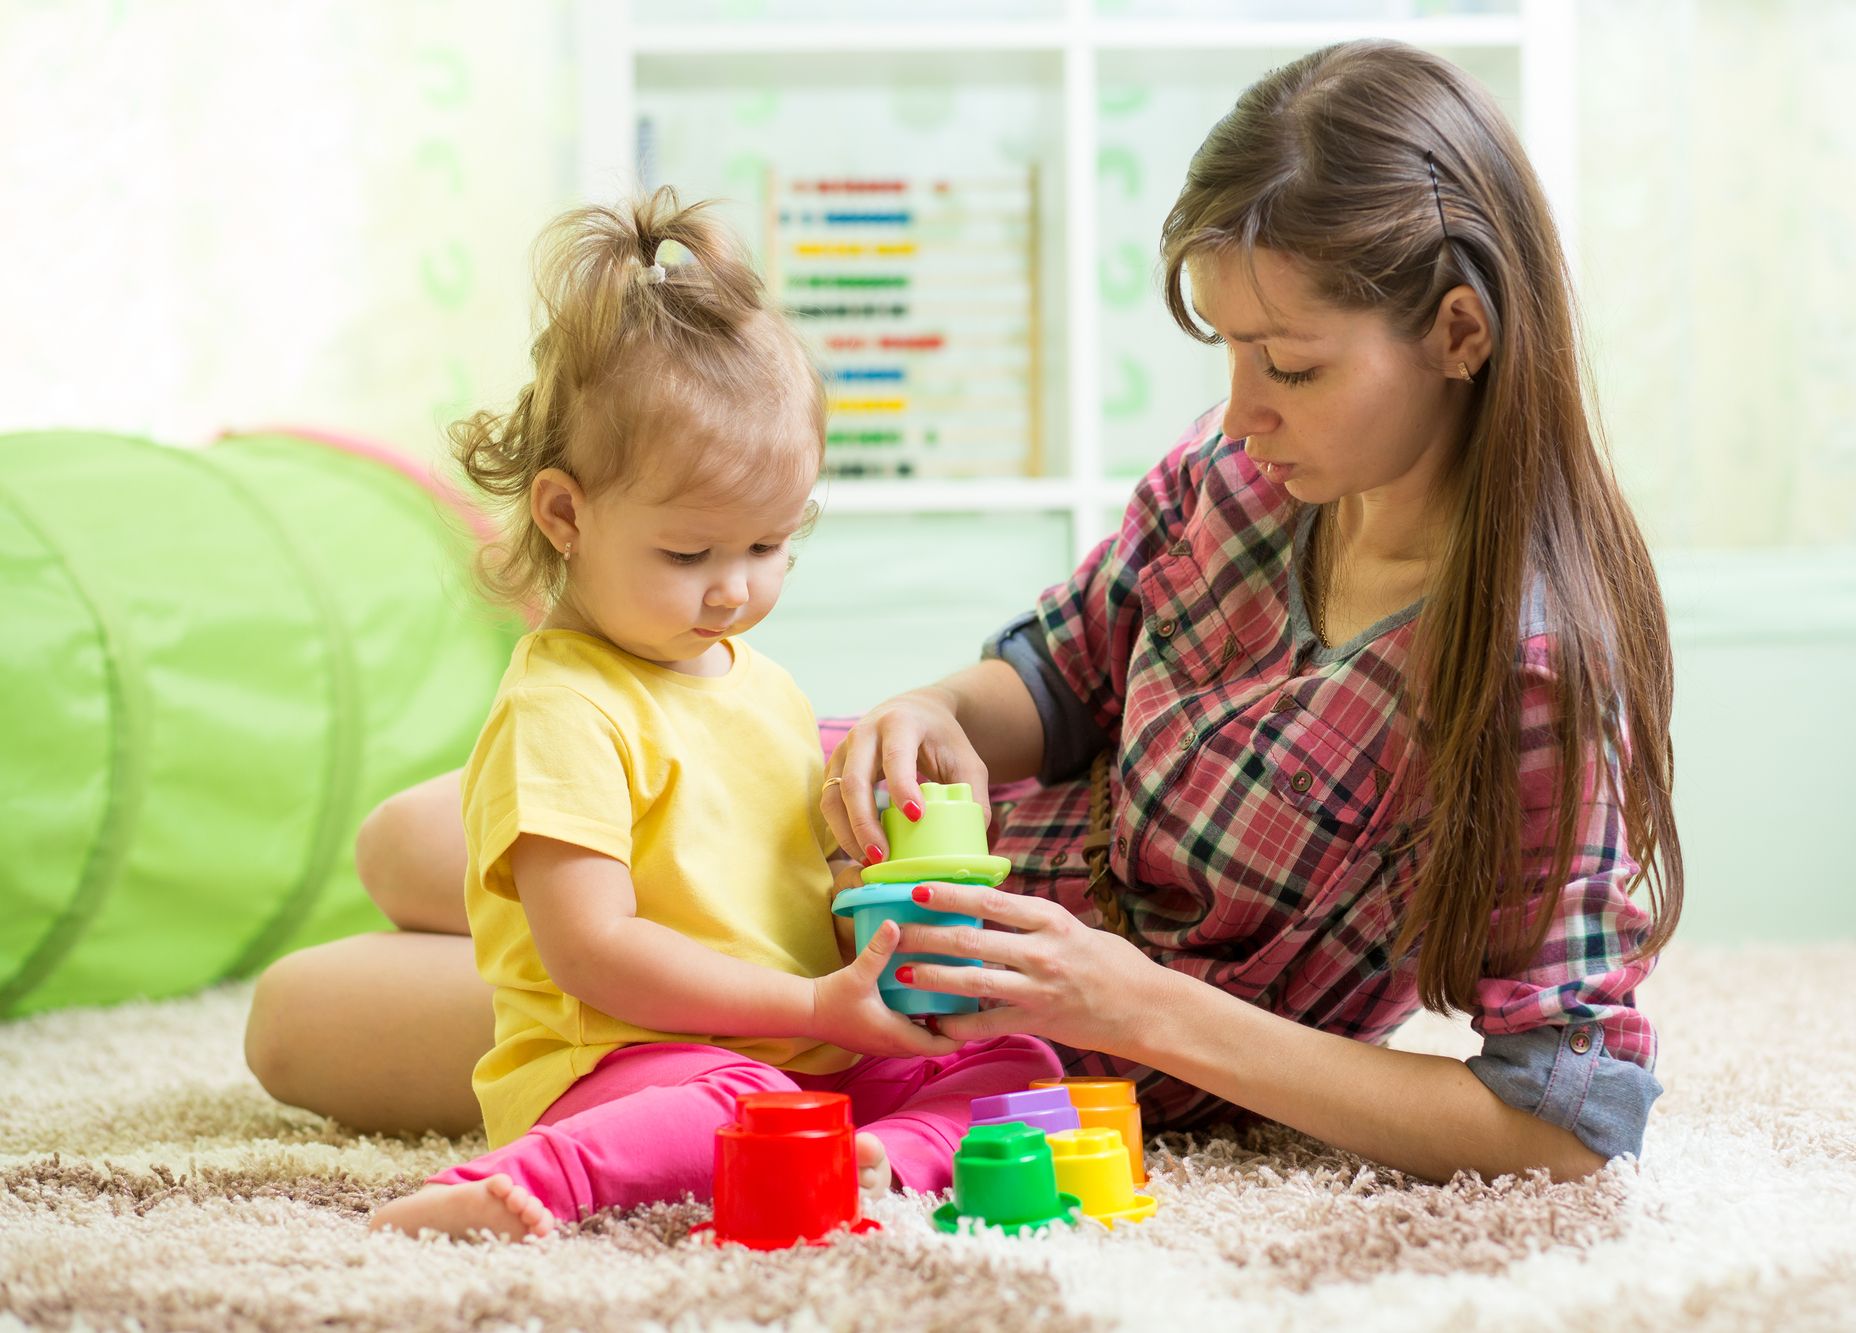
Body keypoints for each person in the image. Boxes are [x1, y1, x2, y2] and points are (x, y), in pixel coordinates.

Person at [248, 40, 1679, 1189]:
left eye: (1289, 364)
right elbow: (1052, 679)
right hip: (857, 848)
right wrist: (930, 713)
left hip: (933, 1016)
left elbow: (1560, 1121)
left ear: (1461, 335)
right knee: (405, 842)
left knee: (295, 1019)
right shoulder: (1243, 480)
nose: (1240, 410)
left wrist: (1135, 1008)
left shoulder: (1527, 675)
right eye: (1229, 349)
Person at [351, 188, 1060, 1242]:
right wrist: (811, 1010)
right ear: (564, 512)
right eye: (689, 554)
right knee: (740, 1109)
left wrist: (878, 921)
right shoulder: (563, 707)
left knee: (1024, 1070)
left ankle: (880, 1156)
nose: (733, 588)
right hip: (628, 1057)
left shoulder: (763, 686)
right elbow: (592, 949)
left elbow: (784, 903)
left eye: (769, 545)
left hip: (795, 1050)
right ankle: (524, 1179)